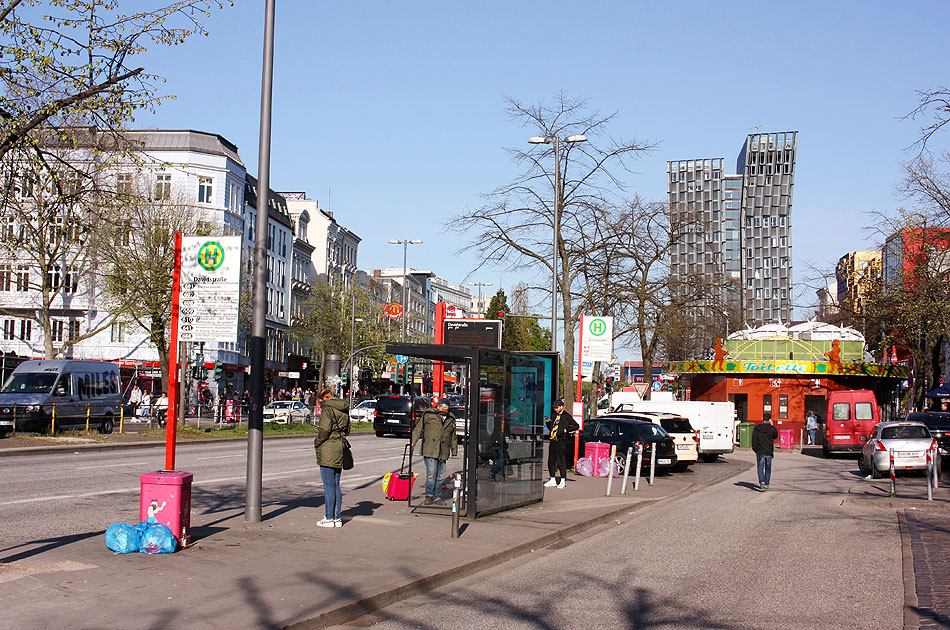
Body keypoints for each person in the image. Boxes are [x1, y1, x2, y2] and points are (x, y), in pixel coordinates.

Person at [313, 388, 350, 528]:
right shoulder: (343, 409)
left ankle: (328, 518)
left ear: (323, 399)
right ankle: (337, 518)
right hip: (339, 447)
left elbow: (324, 430)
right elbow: (347, 430)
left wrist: (317, 442)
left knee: (328, 485)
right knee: (336, 485)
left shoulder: (327, 410)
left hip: (328, 448)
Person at [411, 400, 458, 504]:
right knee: (431, 473)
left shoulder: (451, 418)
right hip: (430, 449)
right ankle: (429, 495)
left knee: (440, 475)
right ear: (438, 407)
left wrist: (454, 450)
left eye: (446, 408)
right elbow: (418, 429)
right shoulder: (428, 414)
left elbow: (453, 436)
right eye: (442, 408)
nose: (444, 410)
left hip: (443, 450)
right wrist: (413, 442)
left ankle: (437, 497)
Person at [544, 400, 579, 489]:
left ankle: (562, 480)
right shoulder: (554, 415)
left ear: (561, 407)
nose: (555, 409)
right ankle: (552, 479)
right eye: (554, 408)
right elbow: (551, 427)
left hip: (561, 440)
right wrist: (548, 422)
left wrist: (566, 430)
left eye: (557, 407)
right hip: (553, 440)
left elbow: (576, 426)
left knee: (561, 460)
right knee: (551, 460)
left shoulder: (566, 416)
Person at [752, 412, 779, 491]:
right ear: (769, 419)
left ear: (762, 418)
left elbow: (754, 440)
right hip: (769, 451)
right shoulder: (772, 428)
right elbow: (775, 436)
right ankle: (767, 483)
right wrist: (772, 425)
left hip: (760, 451)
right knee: (768, 468)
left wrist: (755, 449)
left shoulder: (757, 428)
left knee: (760, 467)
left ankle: (762, 482)